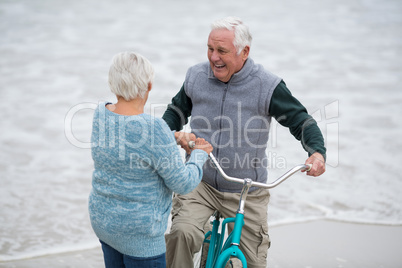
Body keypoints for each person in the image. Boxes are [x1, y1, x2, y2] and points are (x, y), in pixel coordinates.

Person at [162, 17, 326, 267]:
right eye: (210, 49)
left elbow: (300, 120)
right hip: (199, 182)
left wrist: (316, 152)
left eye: (222, 51)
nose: (214, 57)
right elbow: (176, 111)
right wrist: (163, 135)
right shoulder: (196, 76)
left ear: (244, 52)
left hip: (246, 190)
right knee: (182, 233)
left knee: (253, 263)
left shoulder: (267, 85)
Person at [88, 51, 213, 268]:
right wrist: (199, 154)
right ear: (148, 86)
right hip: (140, 236)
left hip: (104, 223)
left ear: (112, 81)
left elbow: (129, 144)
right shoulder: (154, 130)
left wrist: (170, 137)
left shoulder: (101, 113)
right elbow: (183, 183)